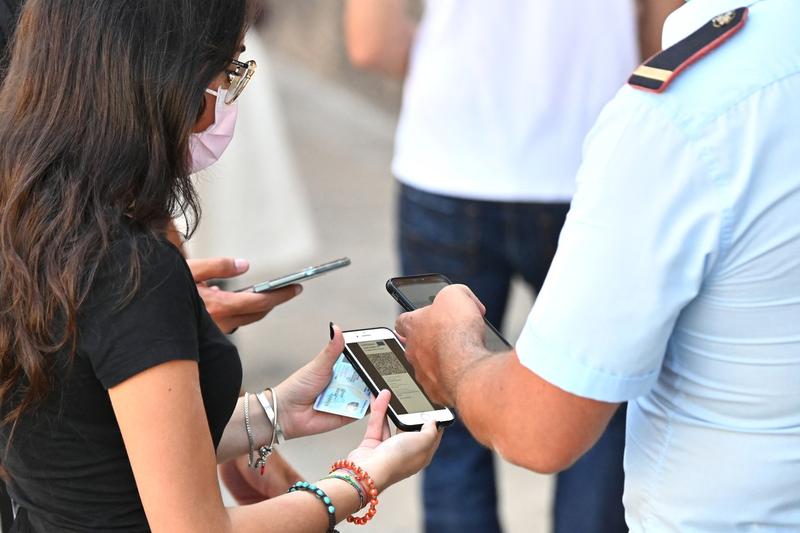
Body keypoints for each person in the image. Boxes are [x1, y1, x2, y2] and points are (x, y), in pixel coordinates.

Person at [0, 1, 441, 531]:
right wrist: (360, 479)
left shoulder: (28, 218)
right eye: (229, 72)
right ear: (166, 77)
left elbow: (96, 444)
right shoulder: (133, 271)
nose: (225, 103)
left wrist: (276, 412)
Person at [396, 0, 800, 531]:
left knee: (451, 435)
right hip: (566, 161)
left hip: (449, 157)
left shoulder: (687, 113)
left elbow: (537, 428)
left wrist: (451, 357)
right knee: (602, 404)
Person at [344, 1, 659, 531]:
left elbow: (369, 41)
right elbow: (662, 36)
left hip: (448, 160)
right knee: (596, 398)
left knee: (443, 398)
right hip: (594, 160)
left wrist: (454, 78)